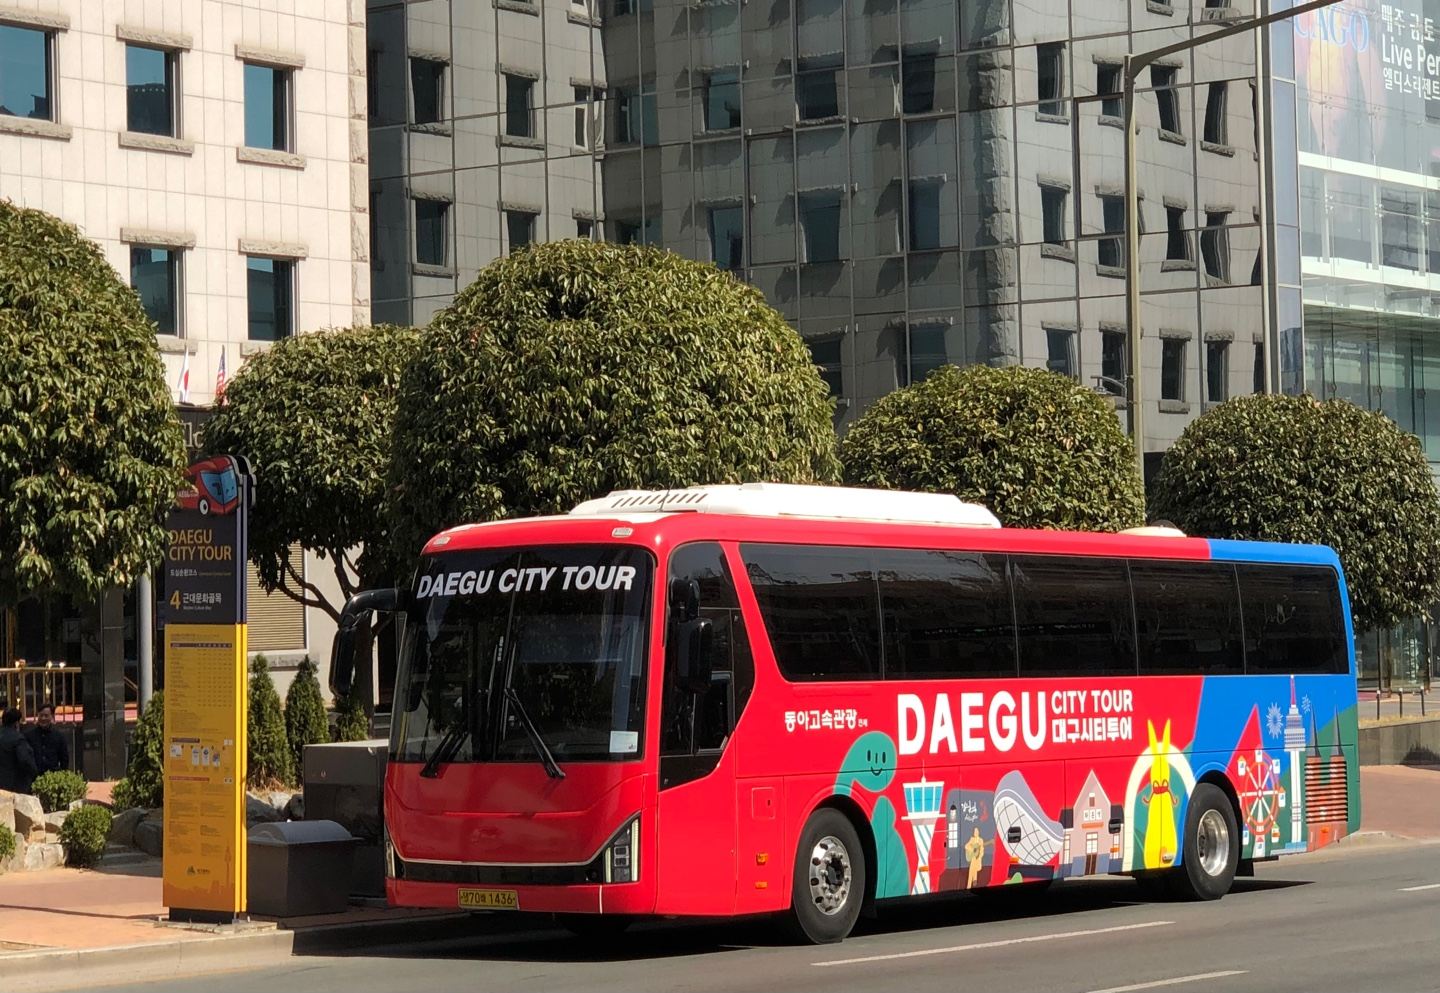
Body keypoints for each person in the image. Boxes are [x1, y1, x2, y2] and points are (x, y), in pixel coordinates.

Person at [0, 707, 38, 794]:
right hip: (13, 786)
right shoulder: (18, 739)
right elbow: (25, 760)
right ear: (17, 723)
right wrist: (34, 773)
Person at [26, 704, 69, 776]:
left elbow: (64, 759)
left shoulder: (59, 736)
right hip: (34, 776)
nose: (43, 718)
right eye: (41, 715)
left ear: (52, 716)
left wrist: (62, 775)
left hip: (53, 777)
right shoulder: (29, 736)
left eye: (46, 716)